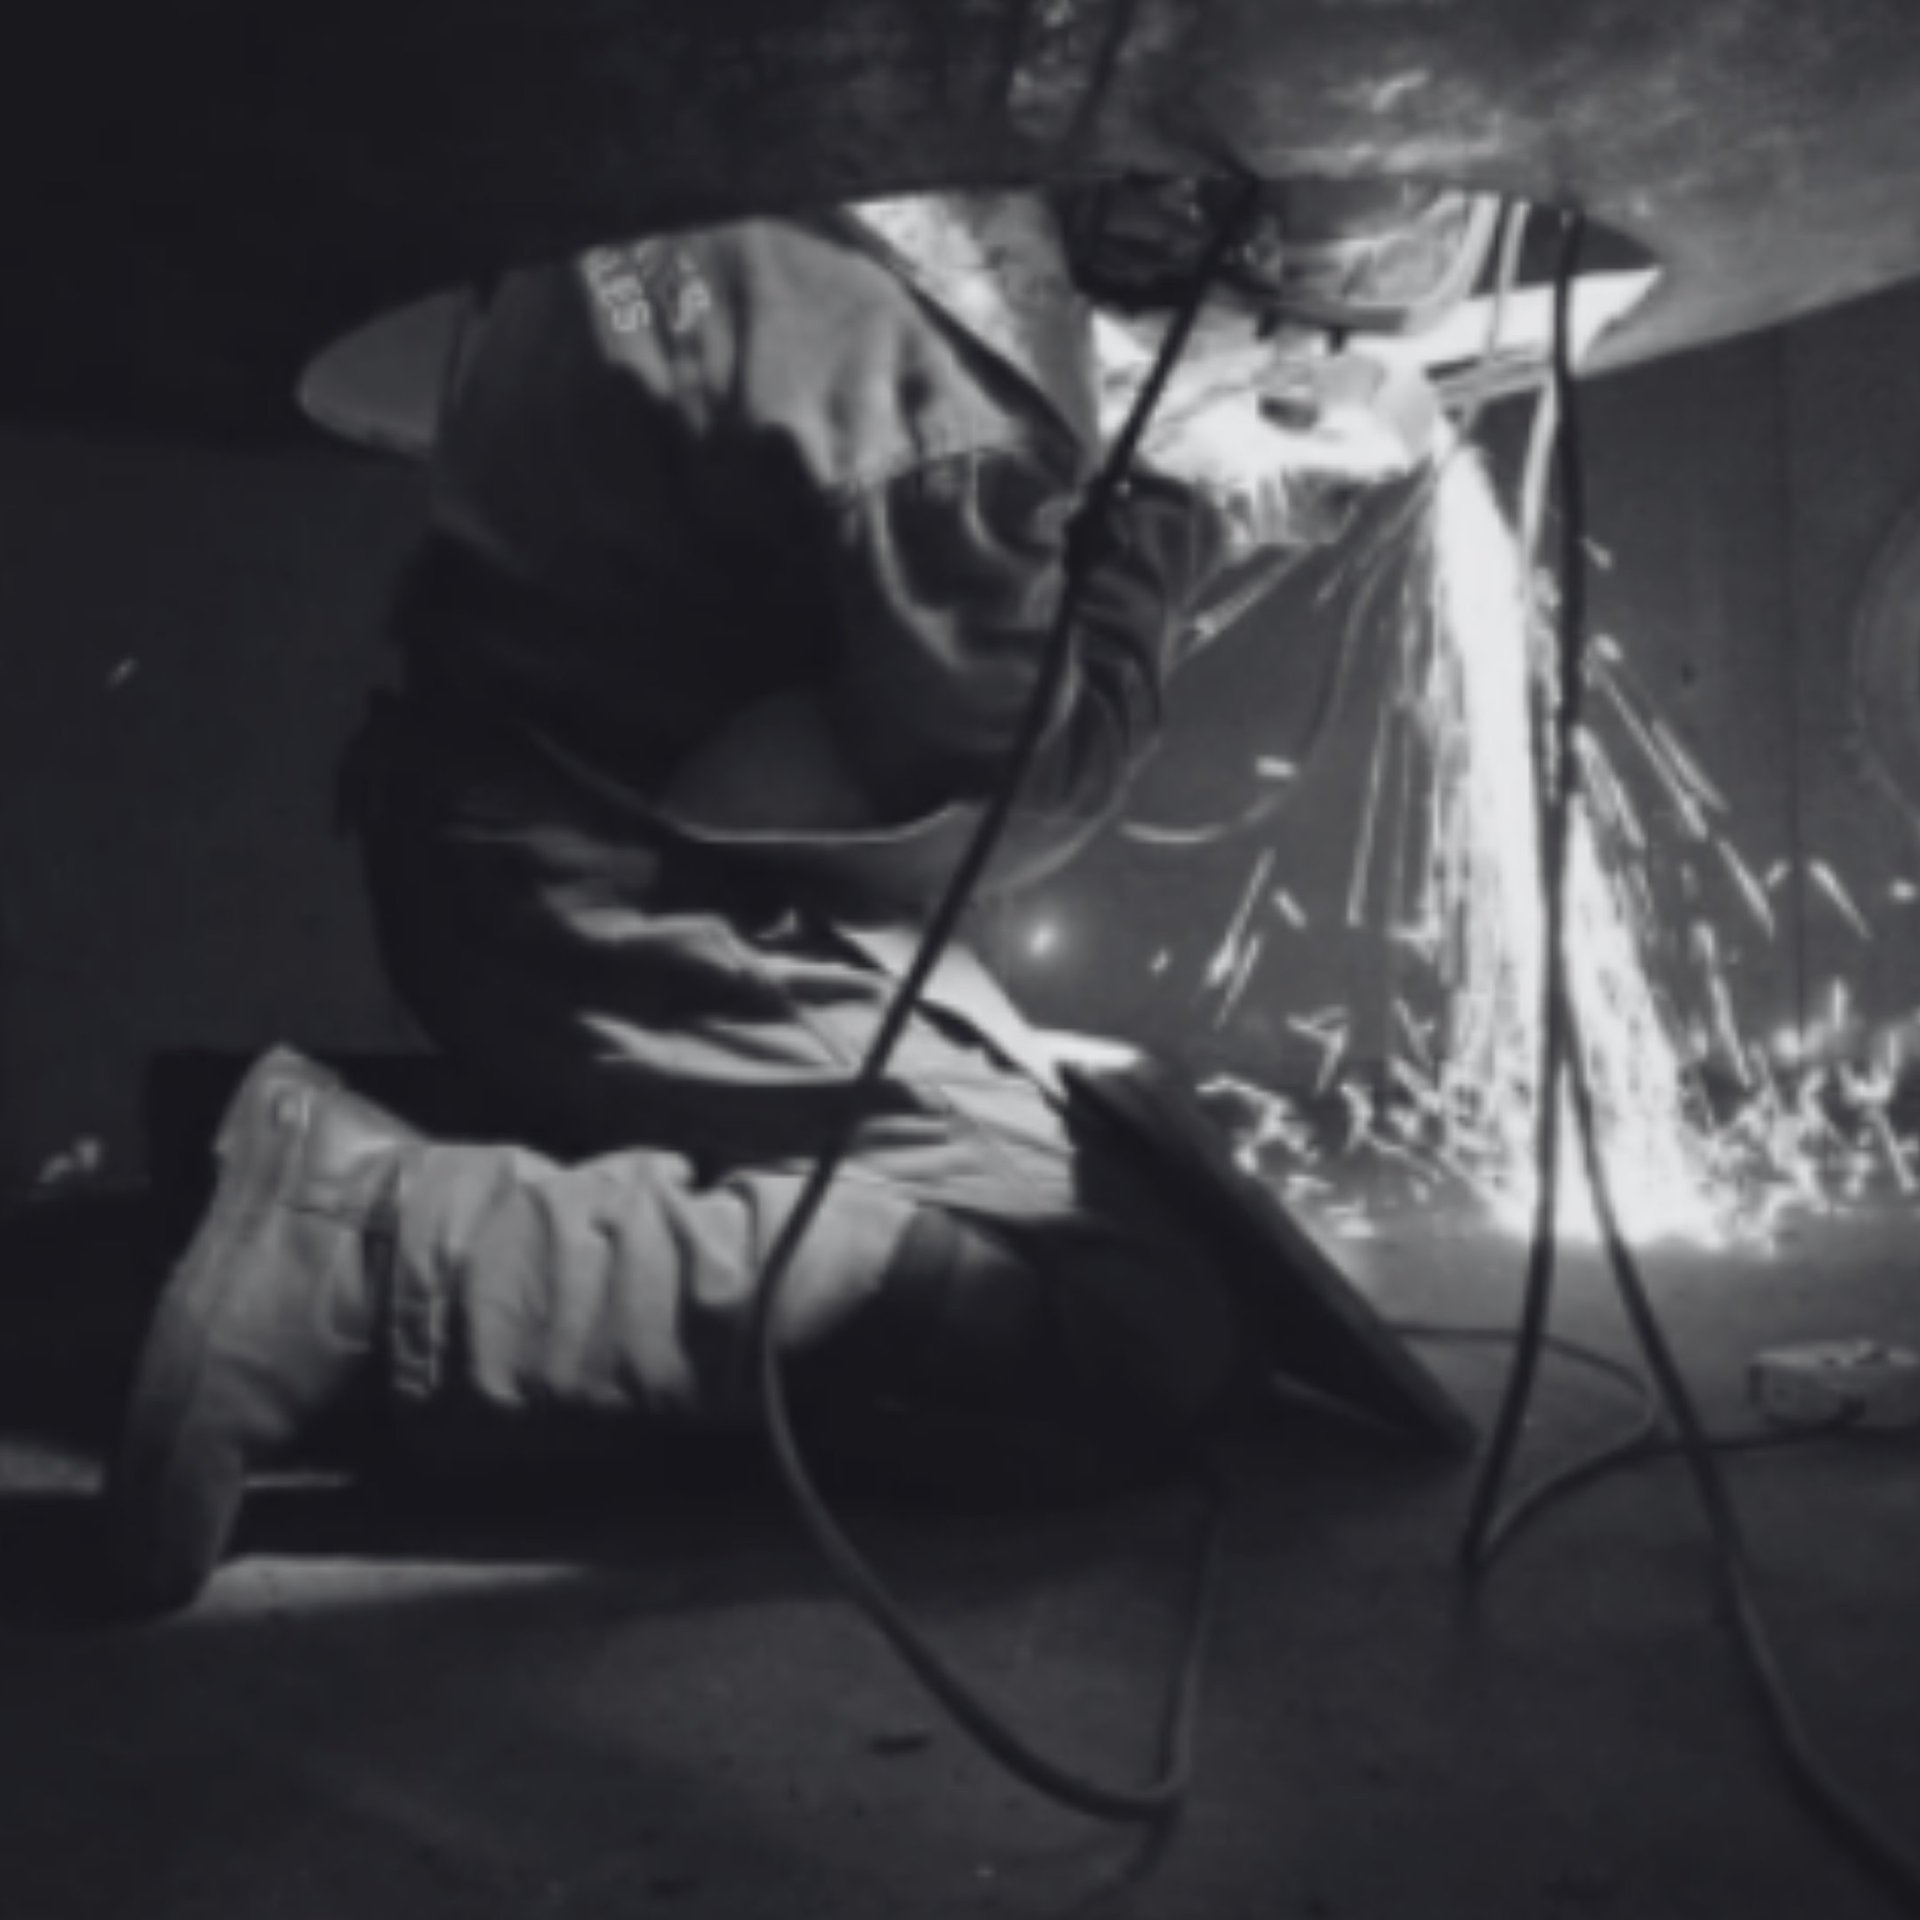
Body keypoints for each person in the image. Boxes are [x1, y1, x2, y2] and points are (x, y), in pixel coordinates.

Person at [105, 176, 1486, 1614]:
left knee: (1043, 1168)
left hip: (495, 829)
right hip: (609, 897)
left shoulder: (732, 196)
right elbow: (1019, 795)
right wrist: (1184, 514)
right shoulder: (944, 418)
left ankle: (238, 1156)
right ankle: (365, 1255)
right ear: (1204, 260)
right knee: (1111, 1309)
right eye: (1277, 339)